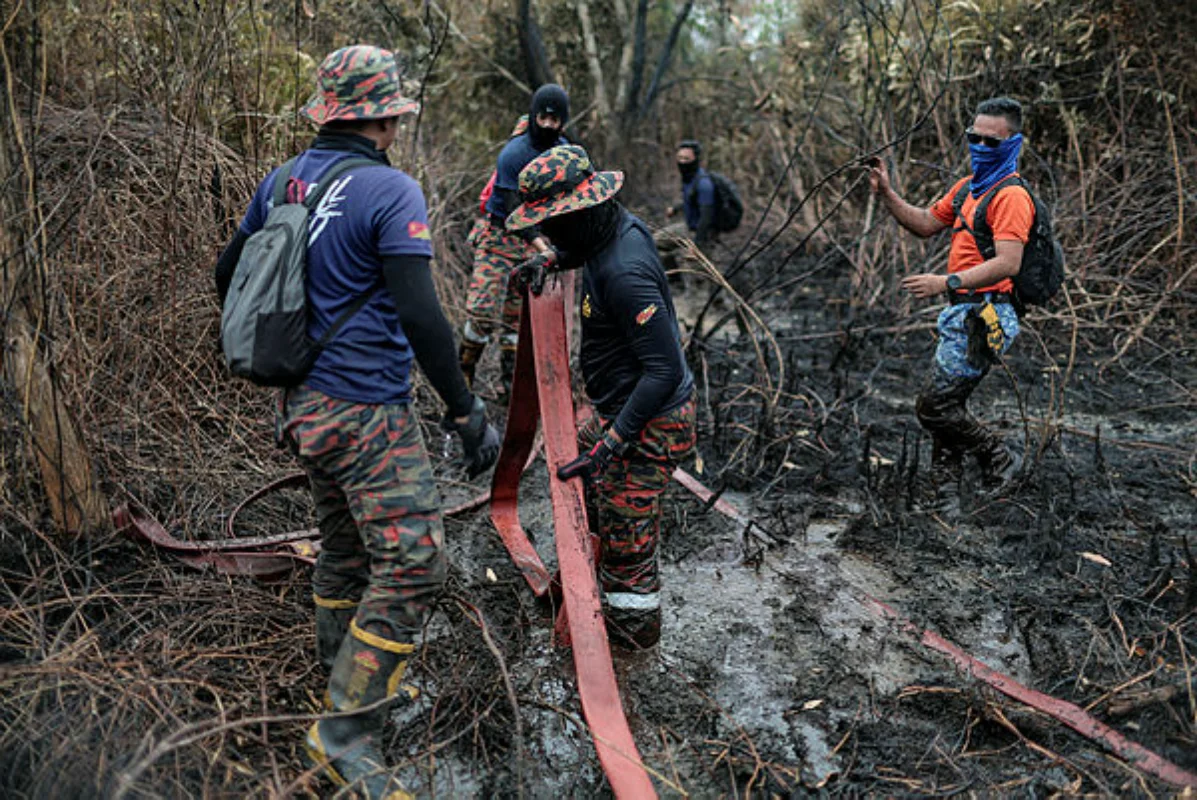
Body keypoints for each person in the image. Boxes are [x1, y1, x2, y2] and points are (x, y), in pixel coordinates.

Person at [214, 45, 500, 798]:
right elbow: (419, 311)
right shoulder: (389, 190)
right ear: (386, 118)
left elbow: (226, 275)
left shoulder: (282, 181)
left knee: (344, 549)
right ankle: (345, 727)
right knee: (413, 562)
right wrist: (465, 410)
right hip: (365, 411)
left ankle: (338, 677)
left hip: (299, 407)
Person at [507, 144, 696, 650]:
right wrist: (551, 259)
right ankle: (593, 576)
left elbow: (663, 369)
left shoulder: (625, 271)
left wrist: (611, 446)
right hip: (622, 407)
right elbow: (582, 247)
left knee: (628, 546)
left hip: (654, 419)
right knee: (580, 477)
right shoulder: (608, 228)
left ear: (584, 210)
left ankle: (633, 644)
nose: (547, 231)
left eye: (553, 223)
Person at [869, 96, 1027, 512]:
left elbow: (1009, 262)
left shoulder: (1011, 196)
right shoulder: (967, 188)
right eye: (973, 138)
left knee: (935, 405)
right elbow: (924, 223)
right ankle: (945, 500)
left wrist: (946, 281)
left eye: (990, 142)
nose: (979, 147)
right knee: (946, 405)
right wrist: (886, 192)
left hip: (988, 314)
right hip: (961, 311)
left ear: (1012, 143)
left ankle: (998, 454)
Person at [458, 85, 571, 396]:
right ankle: (462, 381)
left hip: (534, 243)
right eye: (543, 118)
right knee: (482, 311)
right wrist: (543, 248)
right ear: (534, 116)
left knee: (515, 318)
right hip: (500, 237)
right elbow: (512, 212)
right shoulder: (514, 154)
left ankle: (510, 390)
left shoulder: (564, 152)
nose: (548, 125)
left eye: (555, 120)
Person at [654, 139, 717, 276]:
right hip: (688, 226)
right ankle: (675, 279)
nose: (682, 162)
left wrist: (697, 245)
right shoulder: (689, 178)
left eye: (686, 159)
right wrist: (675, 208)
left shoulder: (704, 183)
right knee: (655, 242)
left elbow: (706, 216)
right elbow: (691, 199)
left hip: (702, 230)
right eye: (680, 158)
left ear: (695, 159)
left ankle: (711, 296)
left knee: (700, 273)